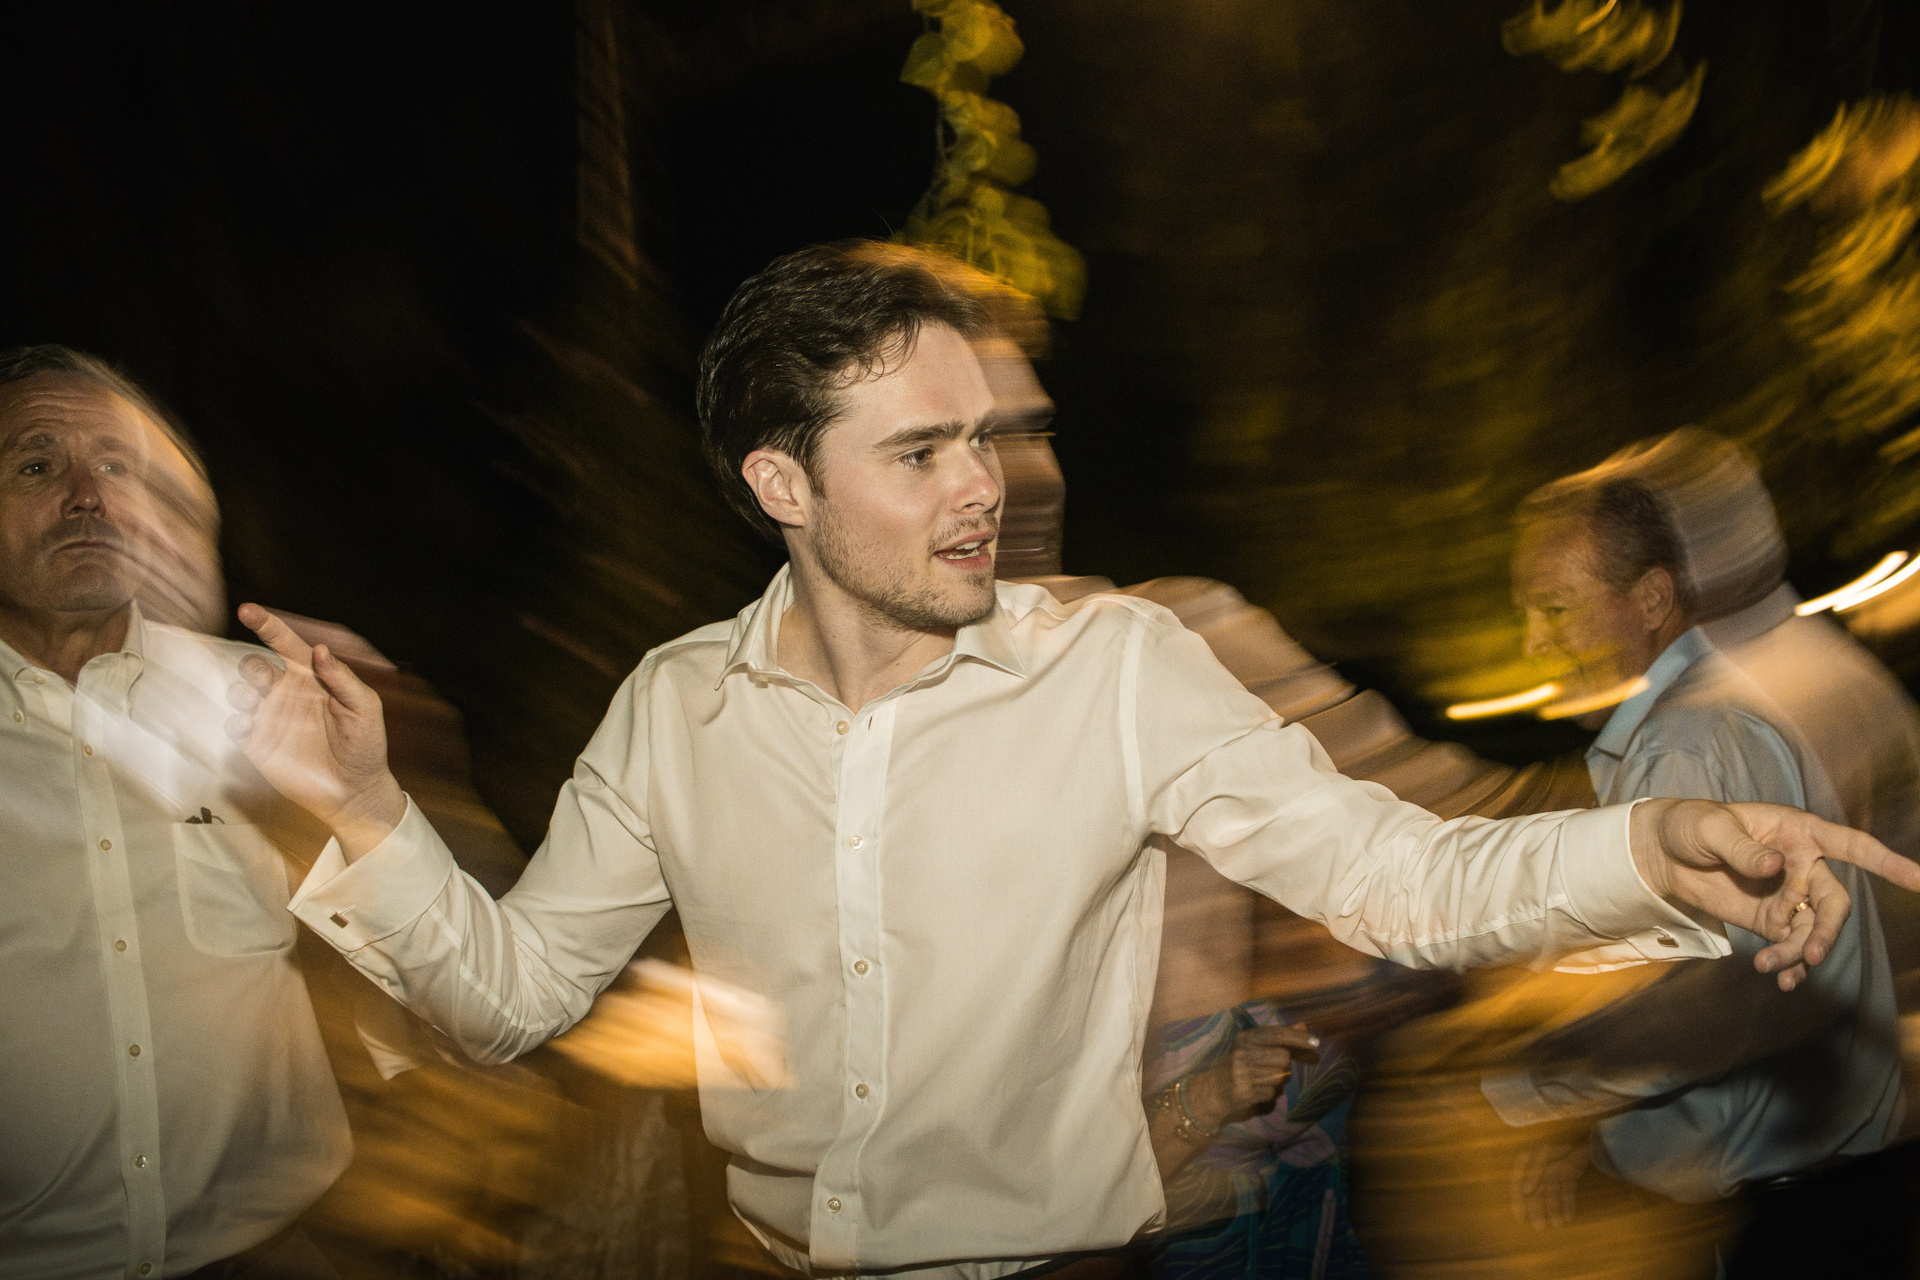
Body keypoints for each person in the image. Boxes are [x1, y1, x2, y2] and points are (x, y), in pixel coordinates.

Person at [227, 241, 1905, 1280]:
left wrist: (1648, 845)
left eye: (986, 438)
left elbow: (1398, 872)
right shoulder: (673, 709)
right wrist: (367, 811)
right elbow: (512, 997)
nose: (985, 488)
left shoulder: (1120, 669)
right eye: (921, 452)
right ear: (780, 487)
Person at [0, 346, 351, 1279]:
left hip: (278, 1248)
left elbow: (403, 955)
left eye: (116, 466)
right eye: (36, 465)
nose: (87, 495)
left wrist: (392, 802)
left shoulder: (265, 703)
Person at [1487, 474, 1901, 1237]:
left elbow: (1703, 1003)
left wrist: (1525, 1087)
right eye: (1525, 614)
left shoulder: (1682, 748)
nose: (1532, 643)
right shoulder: (1719, 709)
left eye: (1555, 608)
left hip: (1779, 1216)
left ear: (1651, 599)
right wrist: (1598, 1132)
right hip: (1829, 1188)